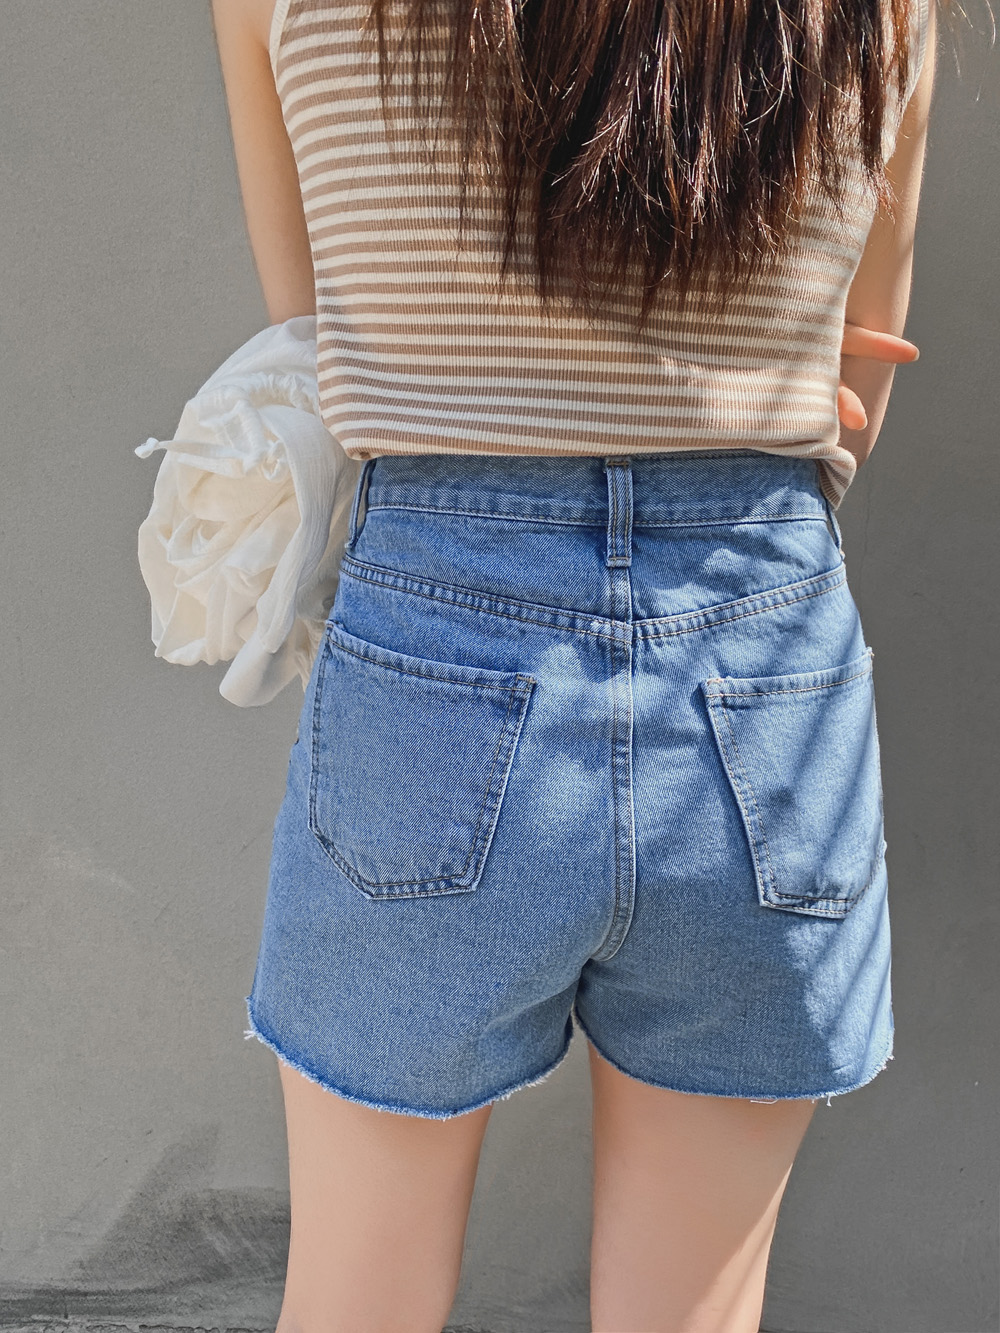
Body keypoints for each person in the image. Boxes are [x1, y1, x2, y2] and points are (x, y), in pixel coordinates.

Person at [208, 0, 937, 1329]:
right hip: (759, 661)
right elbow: (858, 386)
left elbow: (317, 330)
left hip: (439, 645)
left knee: (357, 1298)